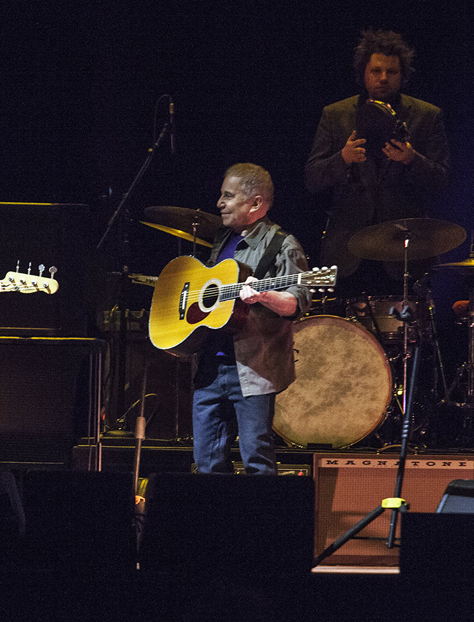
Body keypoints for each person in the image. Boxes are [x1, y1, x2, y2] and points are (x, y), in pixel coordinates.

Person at [305, 29, 450, 296]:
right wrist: (343, 158)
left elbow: (442, 180)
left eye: (391, 72)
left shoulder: (427, 115)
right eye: (376, 70)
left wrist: (411, 159)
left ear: (402, 75)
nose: (383, 78)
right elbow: (312, 178)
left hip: (401, 254)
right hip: (347, 251)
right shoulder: (335, 114)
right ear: (363, 73)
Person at [192, 164, 311, 475]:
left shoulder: (282, 245)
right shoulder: (222, 239)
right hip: (210, 366)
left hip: (252, 366)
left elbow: (297, 302)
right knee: (206, 461)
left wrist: (263, 296)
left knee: (256, 458)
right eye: (221, 195)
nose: (219, 203)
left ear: (256, 203)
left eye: (228, 196)